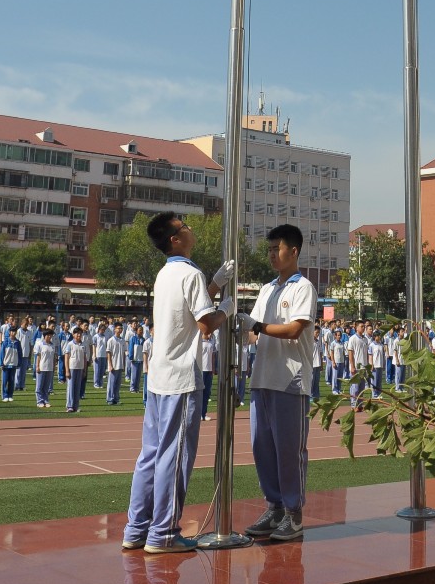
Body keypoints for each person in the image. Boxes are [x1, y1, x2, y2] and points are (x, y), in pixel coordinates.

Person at [122, 213, 234, 555]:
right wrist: (227, 308)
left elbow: (187, 310)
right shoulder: (190, 273)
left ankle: (136, 528)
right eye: (184, 226)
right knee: (175, 455)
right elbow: (205, 324)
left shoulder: (167, 273)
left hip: (159, 376)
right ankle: (164, 533)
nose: (190, 229)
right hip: (181, 378)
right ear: (175, 238)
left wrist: (214, 284)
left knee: (150, 455)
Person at [245, 223, 318, 544]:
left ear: (294, 251)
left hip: (290, 378)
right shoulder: (267, 289)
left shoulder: (303, 287)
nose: (273, 254)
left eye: (278, 248)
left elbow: (293, 330)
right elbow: (252, 331)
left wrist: (258, 325)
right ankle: (274, 507)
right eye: (270, 249)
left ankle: (293, 513)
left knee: (289, 450)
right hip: (262, 377)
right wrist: (245, 326)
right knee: (263, 448)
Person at [64, 326, 87, 413]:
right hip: (72, 367)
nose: (79, 335)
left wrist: (84, 370)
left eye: (80, 334)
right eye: (77, 333)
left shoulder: (83, 344)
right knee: (71, 387)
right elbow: (66, 357)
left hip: (80, 368)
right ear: (73, 334)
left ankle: (76, 406)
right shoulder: (70, 344)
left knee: (77, 388)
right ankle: (69, 406)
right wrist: (67, 370)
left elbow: (84, 358)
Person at [0, 330, 23, 401]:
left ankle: (10, 395)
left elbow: (20, 353)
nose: (13, 333)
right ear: (9, 332)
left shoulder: (17, 343)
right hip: (6, 364)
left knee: (12, 380)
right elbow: (2, 353)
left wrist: (19, 363)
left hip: (14, 364)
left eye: (15, 332)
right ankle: (4, 395)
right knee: (4, 380)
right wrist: (1, 363)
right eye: (12, 331)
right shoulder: (5, 342)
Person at [106, 322, 126, 406]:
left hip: (120, 364)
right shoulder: (111, 340)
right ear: (114, 329)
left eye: (121, 328)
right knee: (111, 383)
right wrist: (110, 364)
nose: (120, 330)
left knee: (118, 384)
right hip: (114, 365)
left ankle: (116, 398)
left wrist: (124, 364)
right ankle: (110, 398)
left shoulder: (122, 340)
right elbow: (108, 353)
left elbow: (124, 353)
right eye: (118, 328)